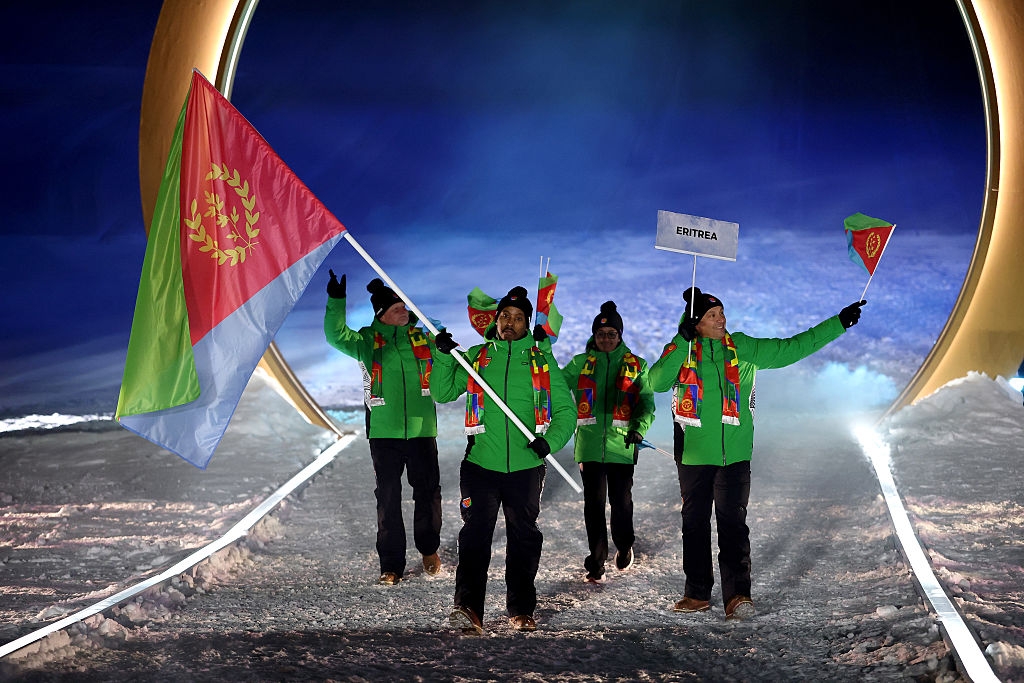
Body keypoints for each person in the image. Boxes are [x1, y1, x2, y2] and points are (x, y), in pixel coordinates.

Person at [649, 286, 866, 620]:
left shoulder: (743, 347)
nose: (721, 319)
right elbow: (656, 381)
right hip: (693, 455)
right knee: (694, 525)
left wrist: (838, 323)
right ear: (696, 324)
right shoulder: (682, 351)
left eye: (721, 312)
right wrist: (681, 342)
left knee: (734, 525)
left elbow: (792, 348)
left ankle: (737, 596)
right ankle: (696, 594)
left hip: (735, 455)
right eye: (711, 315)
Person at [430, 286, 575, 634]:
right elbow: (442, 391)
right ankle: (468, 608)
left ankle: (521, 608)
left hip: (526, 468)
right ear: (495, 320)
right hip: (480, 463)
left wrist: (549, 442)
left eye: (518, 317)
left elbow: (566, 411)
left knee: (524, 538)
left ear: (527, 324)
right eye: (505, 316)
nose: (510, 322)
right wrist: (445, 357)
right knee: (475, 536)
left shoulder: (541, 360)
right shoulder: (478, 357)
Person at [324, 271, 443, 585]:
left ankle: (429, 548)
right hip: (383, 433)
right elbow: (336, 336)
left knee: (428, 493)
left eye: (404, 306)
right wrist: (336, 302)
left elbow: (444, 338)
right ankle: (391, 565)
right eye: (396, 309)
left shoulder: (422, 336)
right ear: (382, 316)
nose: (403, 311)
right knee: (388, 498)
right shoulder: (366, 341)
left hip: (421, 431)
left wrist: (435, 330)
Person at [561, 301, 655, 582]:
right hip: (589, 446)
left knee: (621, 502)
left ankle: (624, 544)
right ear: (594, 335)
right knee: (594, 504)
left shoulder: (637, 366)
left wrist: (639, 429)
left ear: (620, 335)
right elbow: (553, 383)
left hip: (622, 446)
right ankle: (597, 560)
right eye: (601, 334)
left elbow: (647, 402)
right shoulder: (580, 364)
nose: (606, 339)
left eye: (611, 334)